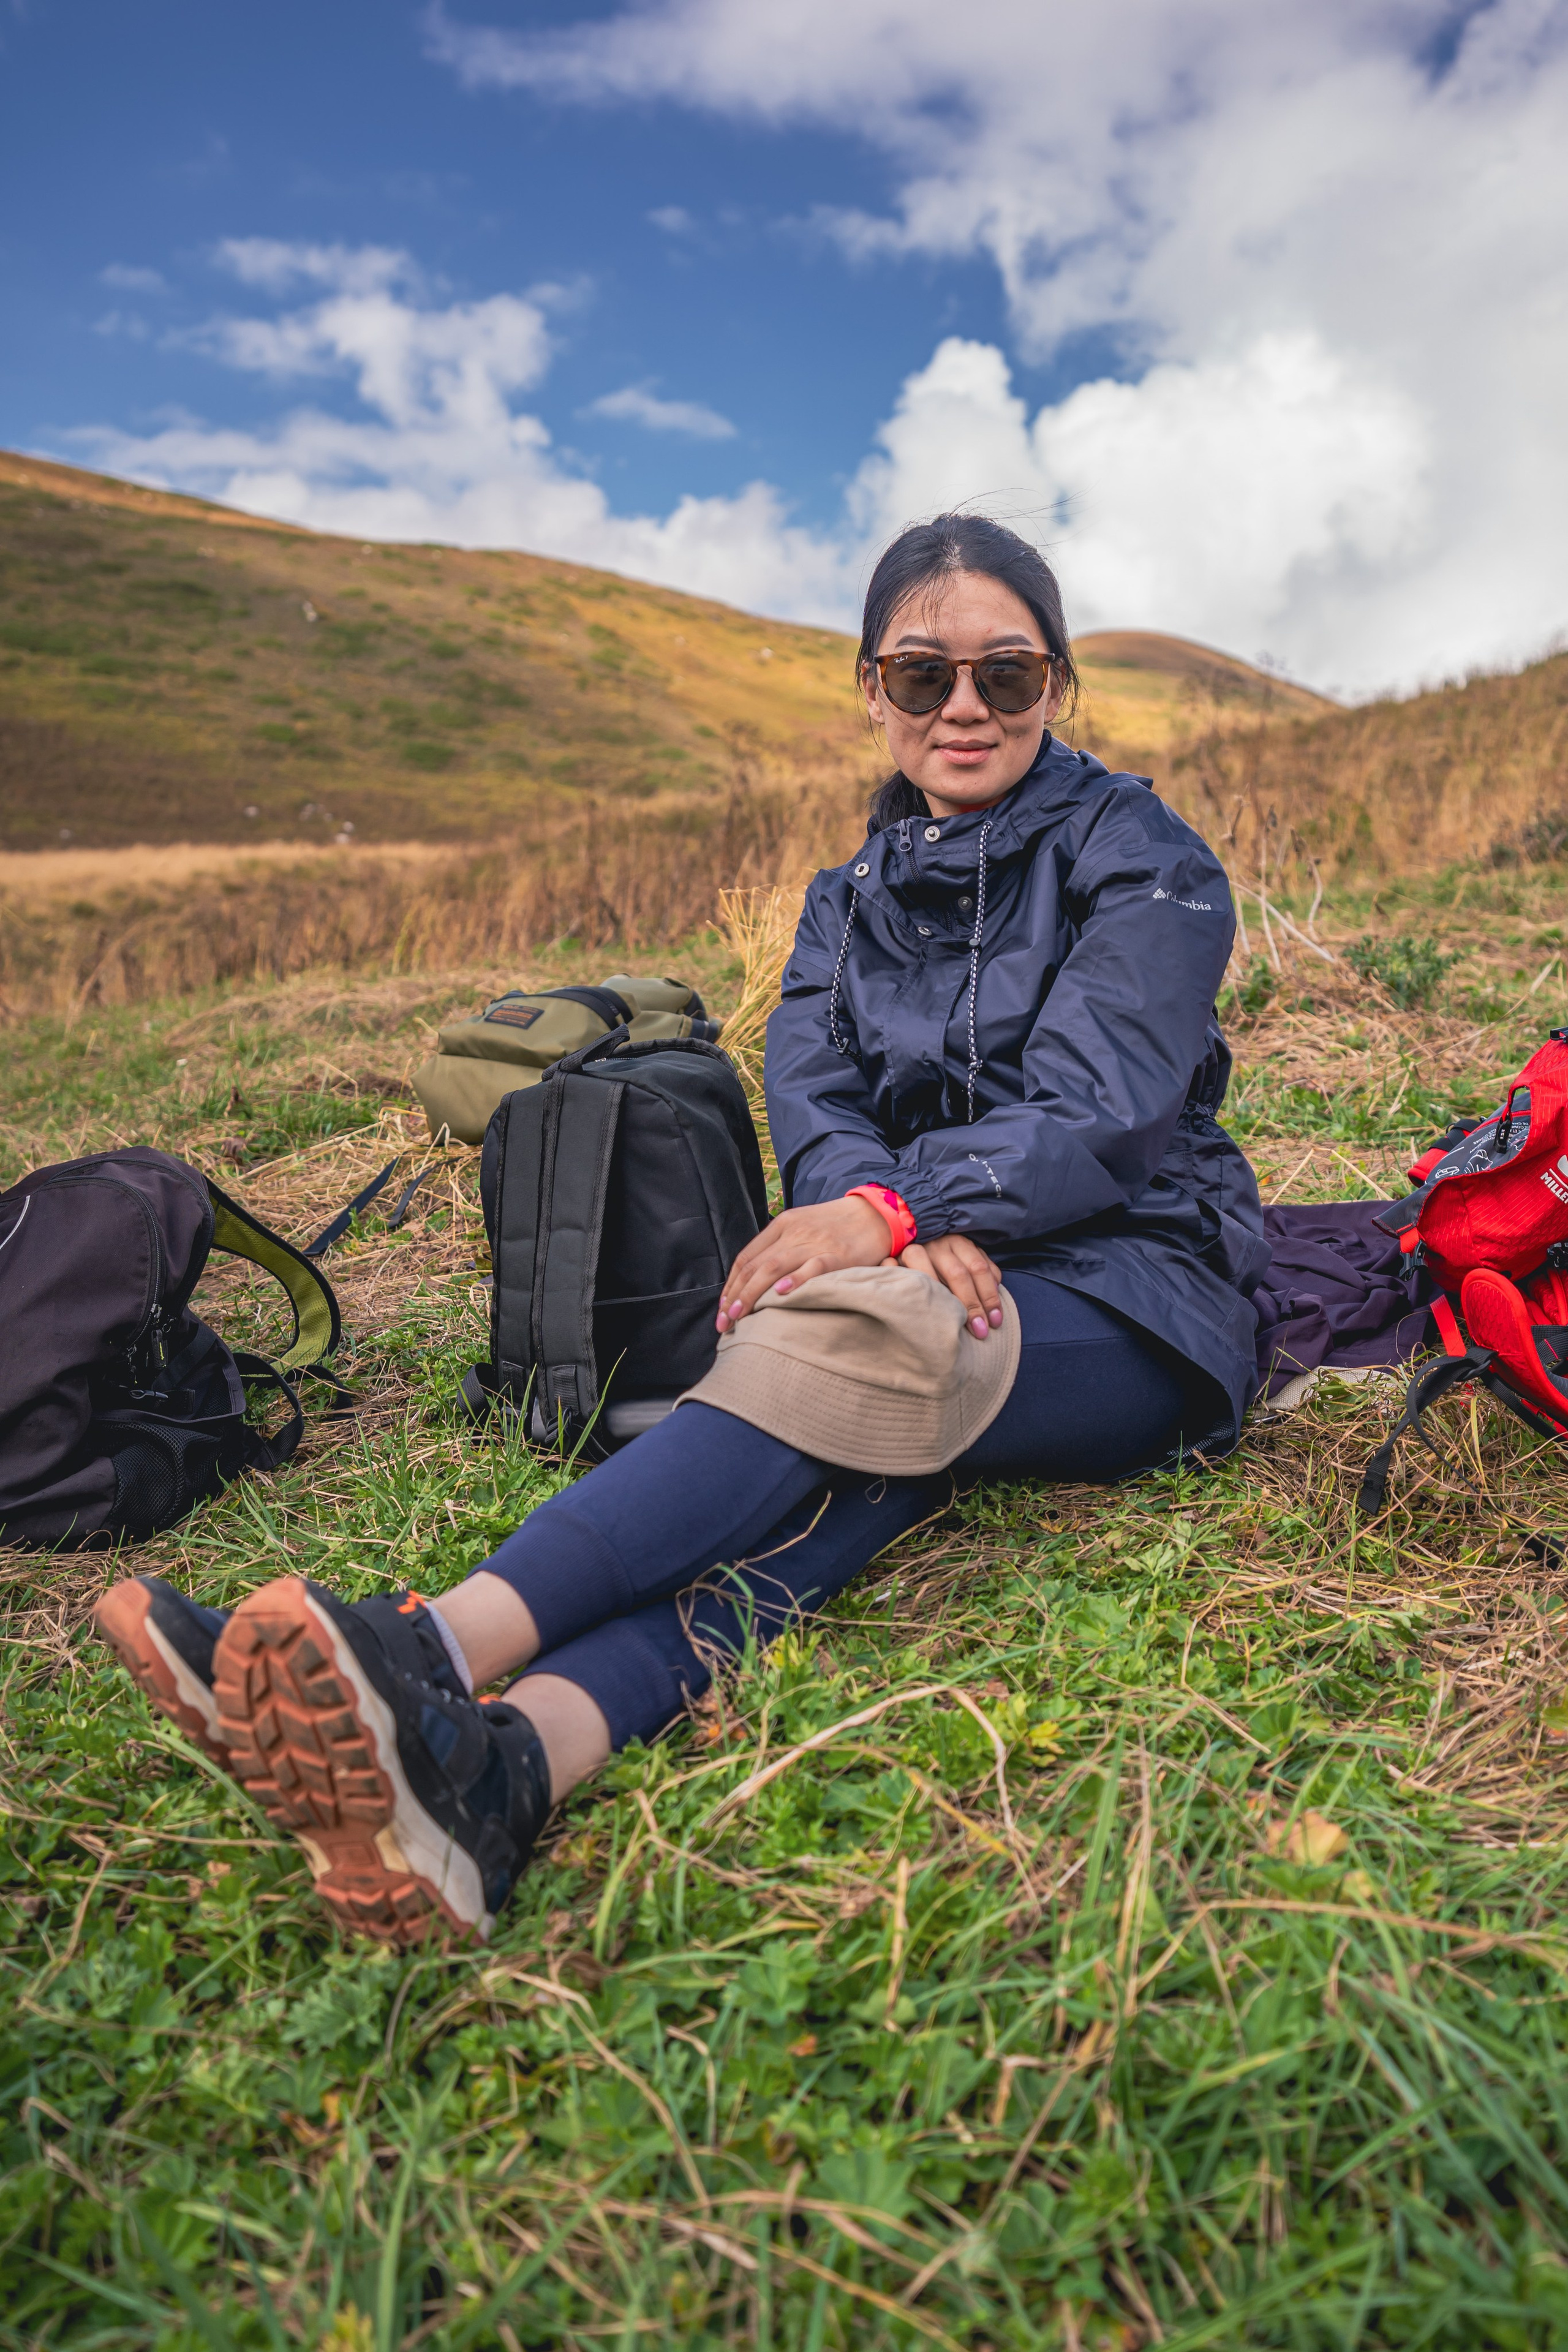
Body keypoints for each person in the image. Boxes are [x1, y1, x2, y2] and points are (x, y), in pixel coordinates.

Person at [96, 514, 1268, 1949]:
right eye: (922, 677)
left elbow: (1109, 1100)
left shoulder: (1139, 853)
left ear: (1055, 687)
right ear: (869, 690)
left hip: (1139, 1282)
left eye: (1004, 677)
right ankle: (506, 1771)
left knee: (857, 1336)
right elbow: (814, 1089)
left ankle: (431, 1647)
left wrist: (903, 1211)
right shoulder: (840, 905)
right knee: (850, 1464)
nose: (962, 708)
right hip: (934, 1270)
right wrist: (872, 1207)